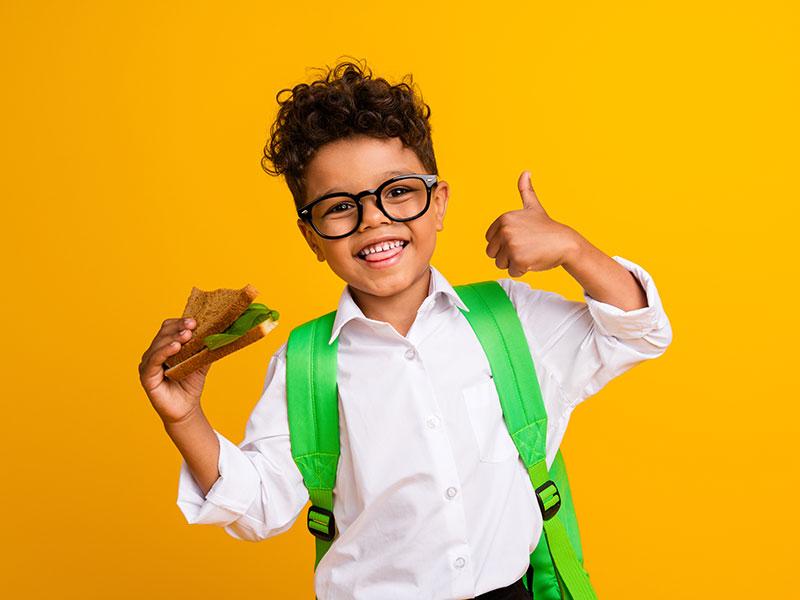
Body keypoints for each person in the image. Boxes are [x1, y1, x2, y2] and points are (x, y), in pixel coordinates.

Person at [137, 57, 673, 600]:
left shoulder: (511, 320)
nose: (373, 218)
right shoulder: (305, 365)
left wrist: (574, 249)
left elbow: (638, 330)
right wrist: (184, 418)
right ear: (312, 237)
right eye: (339, 206)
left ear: (438, 204)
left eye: (397, 192)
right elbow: (258, 508)